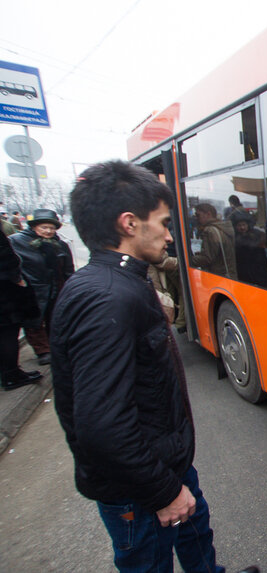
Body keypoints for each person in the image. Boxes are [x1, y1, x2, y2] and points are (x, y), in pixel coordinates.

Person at [50, 161, 232, 573]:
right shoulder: (107, 298)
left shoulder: (117, 282)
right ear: (129, 223)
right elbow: (102, 427)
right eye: (164, 223)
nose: (171, 235)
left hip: (163, 465)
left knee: (197, 541)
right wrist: (165, 492)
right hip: (141, 489)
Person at [8, 209, 74, 365]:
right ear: (34, 227)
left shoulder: (60, 245)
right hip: (32, 288)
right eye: (44, 227)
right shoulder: (17, 242)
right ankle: (42, 351)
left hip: (56, 286)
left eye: (52, 228)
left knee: (56, 318)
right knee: (34, 321)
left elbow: (68, 269)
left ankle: (56, 347)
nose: (48, 231)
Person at [0, 230, 42, 390]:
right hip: (5, 291)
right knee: (8, 333)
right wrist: (17, 278)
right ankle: (11, 375)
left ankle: (10, 372)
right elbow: (6, 258)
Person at [191, 202, 237, 279]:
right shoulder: (223, 228)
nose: (196, 218)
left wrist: (188, 260)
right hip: (229, 275)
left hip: (217, 277)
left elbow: (207, 258)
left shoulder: (210, 230)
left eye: (198, 215)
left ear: (208, 214)